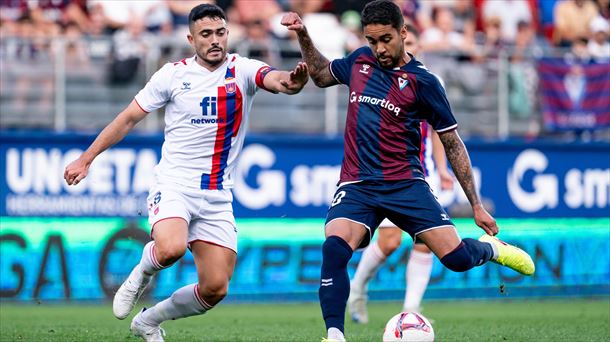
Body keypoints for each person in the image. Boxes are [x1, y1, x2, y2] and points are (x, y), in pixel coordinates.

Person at [281, 1, 535, 341]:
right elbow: (321, 74)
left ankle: (492, 250)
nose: (379, 48)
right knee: (334, 247)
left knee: (457, 259)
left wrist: (474, 204)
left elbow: (452, 142)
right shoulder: (359, 61)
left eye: (385, 39)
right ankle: (335, 334)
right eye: (372, 41)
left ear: (402, 32)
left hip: (405, 185)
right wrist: (303, 36)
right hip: (358, 185)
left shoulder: (424, 82)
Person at [64, 4, 308, 342]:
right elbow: (127, 119)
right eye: (206, 34)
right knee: (170, 248)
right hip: (175, 184)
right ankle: (141, 273)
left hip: (218, 194)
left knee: (215, 288)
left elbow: (279, 80)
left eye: (220, 33)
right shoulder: (172, 75)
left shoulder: (242, 69)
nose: (214, 40)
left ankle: (148, 321)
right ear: (191, 38)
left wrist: (293, 81)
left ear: (228, 34)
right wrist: (86, 159)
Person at [347, 24, 454, 325]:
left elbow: (437, 130)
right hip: (389, 170)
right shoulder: (378, 77)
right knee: (391, 240)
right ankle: (357, 286)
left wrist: (443, 168)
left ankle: (412, 309)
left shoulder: (430, 80)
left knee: (426, 239)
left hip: (421, 169)